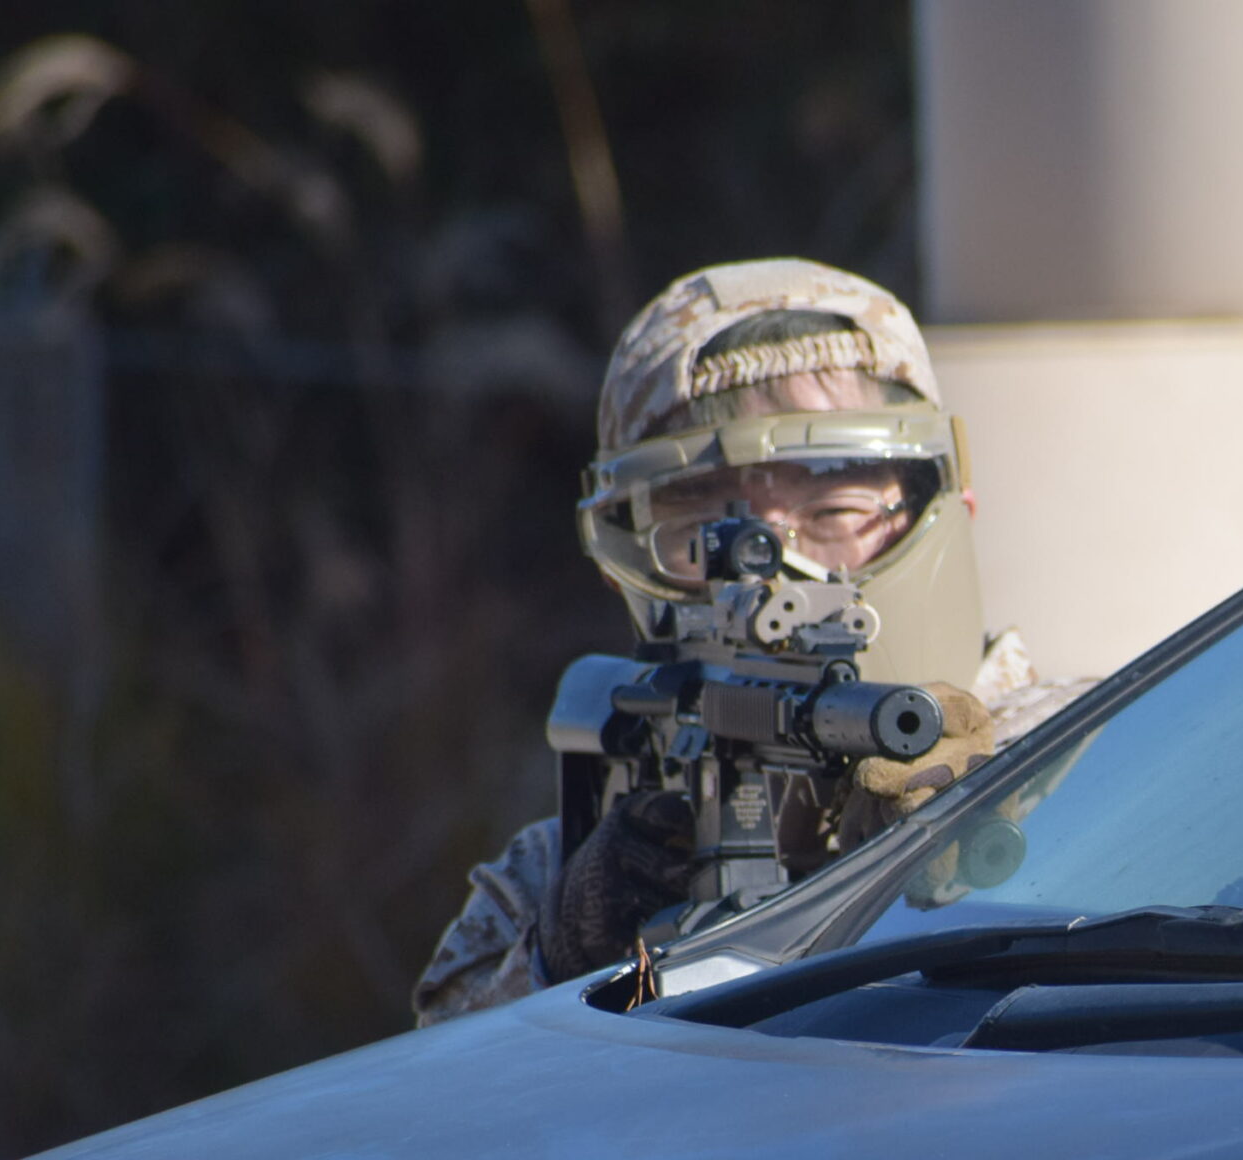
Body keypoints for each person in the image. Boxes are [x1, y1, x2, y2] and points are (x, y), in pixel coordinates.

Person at [415, 258, 1076, 1024]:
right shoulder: (569, 872)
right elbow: (449, 1078)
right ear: (615, 565)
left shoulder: (1105, 756)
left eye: (834, 511)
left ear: (956, 505)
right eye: (706, 534)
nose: (767, 575)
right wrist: (586, 964)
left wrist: (996, 861)